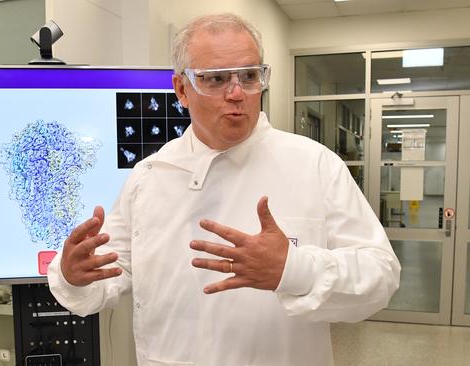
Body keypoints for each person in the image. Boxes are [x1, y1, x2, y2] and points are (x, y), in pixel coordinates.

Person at [48, 13, 400, 366]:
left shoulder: (314, 165)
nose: (237, 94)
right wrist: (72, 275)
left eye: (249, 77)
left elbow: (380, 275)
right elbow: (108, 274)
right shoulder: (150, 177)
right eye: (215, 79)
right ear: (182, 90)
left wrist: (293, 269)